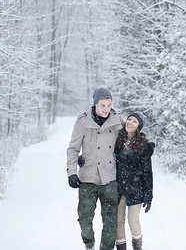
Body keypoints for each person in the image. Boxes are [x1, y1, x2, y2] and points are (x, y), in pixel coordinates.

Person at [66, 88, 125, 250]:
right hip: (88, 178)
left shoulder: (117, 120)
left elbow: (130, 141)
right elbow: (73, 149)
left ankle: (106, 247)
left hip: (110, 179)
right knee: (84, 217)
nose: (106, 109)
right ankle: (89, 244)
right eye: (102, 105)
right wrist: (71, 172)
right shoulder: (83, 121)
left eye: (109, 105)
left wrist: (144, 146)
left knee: (110, 219)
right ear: (95, 104)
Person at [114, 111, 155, 250]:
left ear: (139, 126)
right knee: (118, 222)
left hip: (135, 189)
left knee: (133, 221)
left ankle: (138, 247)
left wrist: (148, 194)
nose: (130, 122)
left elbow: (147, 171)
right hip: (118, 188)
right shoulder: (117, 140)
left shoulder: (143, 146)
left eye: (134, 121)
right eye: (129, 119)